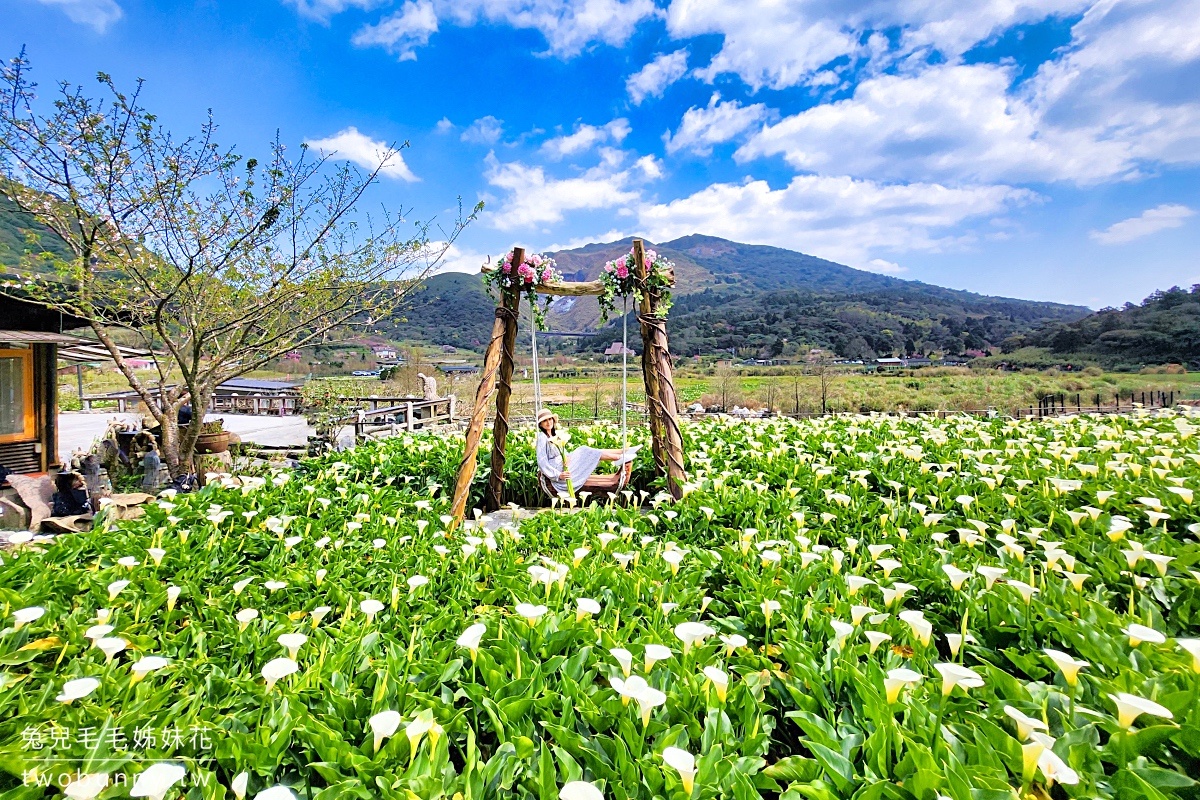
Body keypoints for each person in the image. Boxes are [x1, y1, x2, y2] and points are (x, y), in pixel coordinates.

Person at [535, 409, 638, 496]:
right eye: (545, 421)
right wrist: (558, 475)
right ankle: (619, 457)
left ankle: (623, 452)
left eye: (550, 419)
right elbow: (542, 462)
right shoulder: (542, 437)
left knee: (589, 451)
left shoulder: (554, 434)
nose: (548, 422)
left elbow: (562, 451)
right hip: (559, 471)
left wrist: (566, 457)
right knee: (584, 450)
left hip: (565, 464)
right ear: (541, 424)